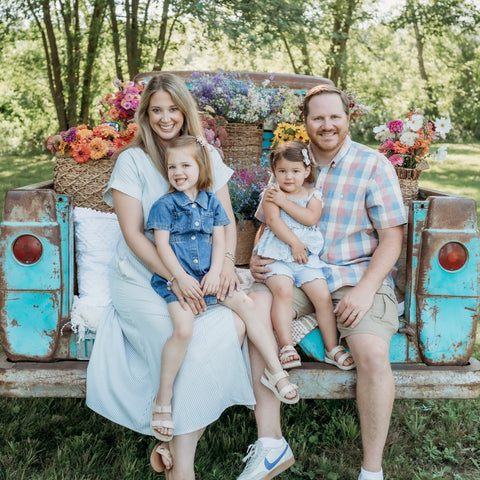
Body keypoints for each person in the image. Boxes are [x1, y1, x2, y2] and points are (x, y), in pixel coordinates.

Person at [85, 72, 294, 480]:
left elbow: (227, 223)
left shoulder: (204, 155)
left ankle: (176, 454)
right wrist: (177, 278)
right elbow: (133, 234)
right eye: (156, 110)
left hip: (205, 271)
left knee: (231, 324)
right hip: (144, 277)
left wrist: (221, 268)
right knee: (177, 339)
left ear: (185, 111)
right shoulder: (133, 161)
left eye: (173, 109)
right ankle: (181, 466)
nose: (166, 118)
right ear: (145, 114)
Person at [249, 84, 407, 480]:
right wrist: (254, 255)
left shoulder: (373, 165)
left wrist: (367, 288)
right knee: (254, 314)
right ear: (306, 122)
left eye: (334, 116)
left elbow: (392, 237)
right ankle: (271, 444)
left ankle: (372, 471)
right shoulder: (289, 165)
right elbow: (265, 219)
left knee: (371, 353)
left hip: (355, 274)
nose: (327, 125)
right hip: (293, 271)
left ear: (347, 118)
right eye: (317, 117)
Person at [147, 135, 299, 442]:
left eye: (185, 165)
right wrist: (180, 278)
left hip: (210, 277)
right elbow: (161, 246)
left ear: (201, 167)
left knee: (247, 303)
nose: (178, 172)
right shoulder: (164, 206)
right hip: (179, 283)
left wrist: (216, 273)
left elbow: (220, 240)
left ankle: (274, 370)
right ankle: (162, 399)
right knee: (183, 329)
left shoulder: (212, 202)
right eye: (172, 166)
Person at [255, 140, 354, 371]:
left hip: (305, 259)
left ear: (307, 171)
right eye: (282, 171)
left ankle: (331, 348)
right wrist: (294, 242)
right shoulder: (271, 193)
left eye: (295, 171)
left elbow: (310, 219)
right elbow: (272, 220)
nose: (288, 177)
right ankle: (287, 346)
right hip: (277, 255)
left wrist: (284, 202)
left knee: (322, 296)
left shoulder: (313, 195)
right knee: (283, 291)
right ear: (274, 171)